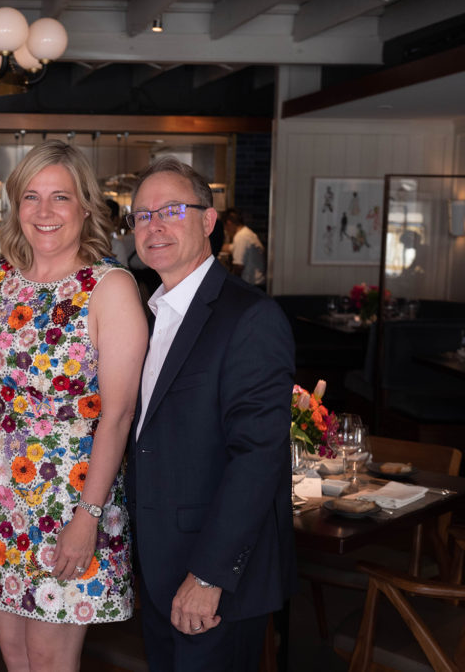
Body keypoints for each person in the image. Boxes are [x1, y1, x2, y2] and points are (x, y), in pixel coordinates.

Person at [0, 140, 147, 672]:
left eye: (60, 197)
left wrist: (87, 517)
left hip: (72, 498)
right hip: (0, 497)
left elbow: (117, 415)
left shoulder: (108, 287)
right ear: (15, 205)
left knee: (49, 658)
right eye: (31, 197)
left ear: (85, 207)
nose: (45, 212)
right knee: (12, 651)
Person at [124, 156, 295, 672]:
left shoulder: (250, 317)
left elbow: (258, 458)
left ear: (207, 220)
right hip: (159, 567)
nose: (154, 225)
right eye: (141, 215)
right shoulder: (149, 315)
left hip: (213, 578)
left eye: (171, 210)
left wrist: (208, 576)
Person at [221, 208, 265, 288]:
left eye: (225, 228)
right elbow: (230, 247)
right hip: (257, 284)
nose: (226, 231)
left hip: (252, 286)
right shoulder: (246, 233)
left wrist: (231, 286)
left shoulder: (241, 237)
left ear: (229, 223)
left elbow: (238, 267)